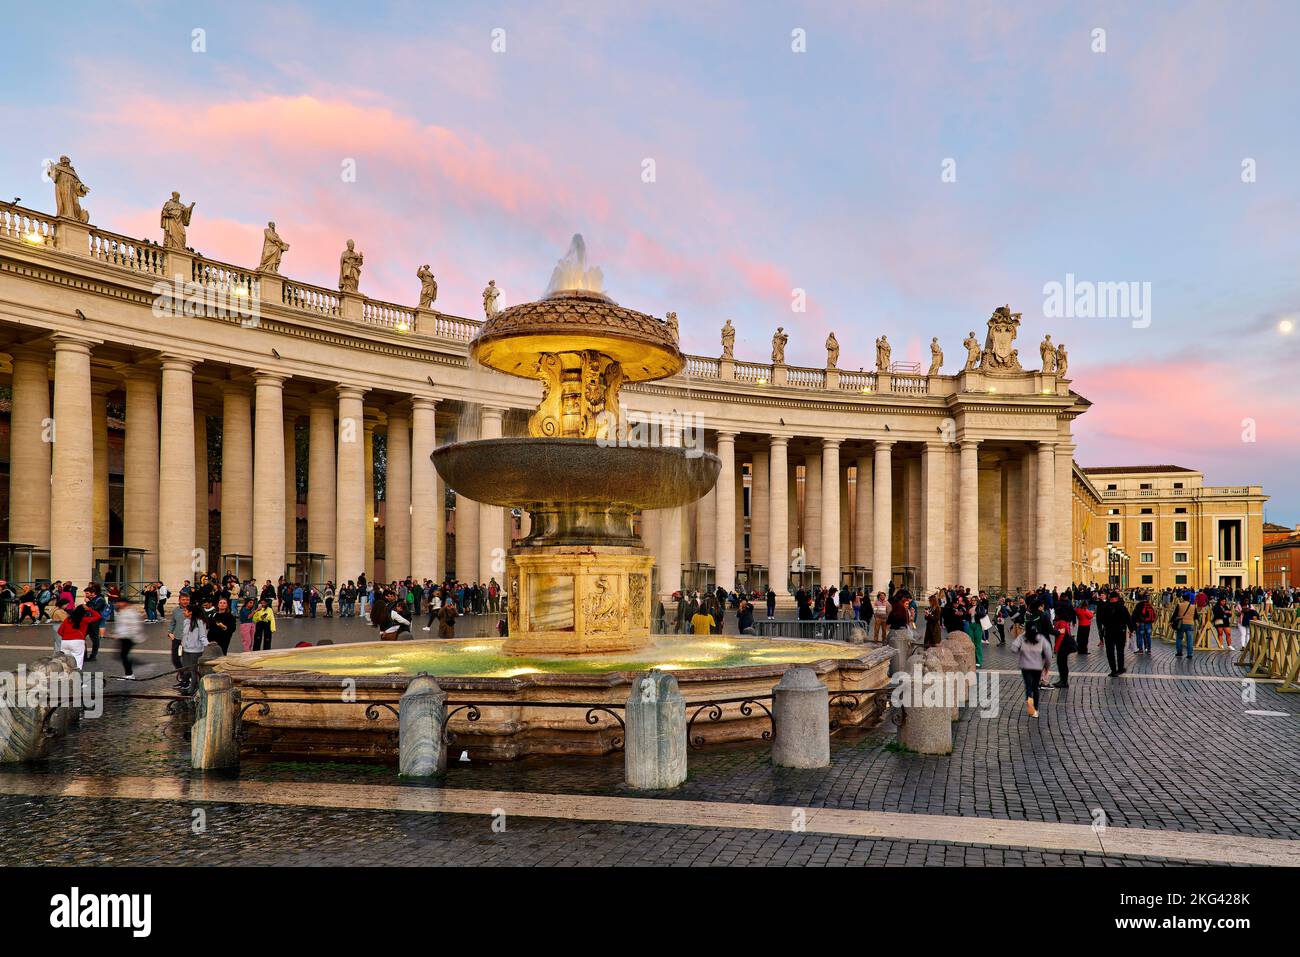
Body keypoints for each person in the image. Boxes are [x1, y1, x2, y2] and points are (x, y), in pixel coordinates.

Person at [1011, 614, 1053, 718]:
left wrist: (1021, 650)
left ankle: (1031, 709)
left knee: (1028, 687)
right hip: (1037, 666)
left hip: (1025, 666)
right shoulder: (1041, 638)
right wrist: (1047, 667)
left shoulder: (1022, 637)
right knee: (1035, 687)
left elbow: (1013, 648)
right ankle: (1036, 709)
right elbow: (1048, 654)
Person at [1095, 590, 1132, 678]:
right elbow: (1128, 619)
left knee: (1110, 651)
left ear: (1110, 598)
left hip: (1108, 632)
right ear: (1117, 598)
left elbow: (1100, 620)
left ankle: (1113, 670)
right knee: (1120, 651)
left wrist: (1101, 630)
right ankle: (1120, 668)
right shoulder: (1122, 607)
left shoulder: (1104, 607)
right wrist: (1131, 630)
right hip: (1120, 632)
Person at [56, 600, 101, 669]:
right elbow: (98, 616)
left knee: (65, 660)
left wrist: (67, 637)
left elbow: (60, 631)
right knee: (78, 659)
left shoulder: (68, 619)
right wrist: (89, 609)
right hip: (78, 641)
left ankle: (65, 675)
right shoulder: (84, 620)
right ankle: (76, 675)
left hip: (65, 641)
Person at [177, 606, 209, 695]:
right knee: (185, 669)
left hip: (195, 650)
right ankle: (187, 684)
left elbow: (203, 636)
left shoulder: (200, 622)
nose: (184, 612)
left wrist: (208, 644)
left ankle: (193, 688)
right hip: (185, 649)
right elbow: (184, 635)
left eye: (186, 611)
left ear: (191, 612)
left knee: (193, 671)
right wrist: (182, 645)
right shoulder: (186, 621)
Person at [112, 596, 144, 679]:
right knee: (121, 655)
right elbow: (121, 625)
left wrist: (122, 634)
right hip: (124, 637)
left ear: (125, 603)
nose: (118, 604)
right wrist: (117, 634)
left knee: (123, 655)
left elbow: (134, 626)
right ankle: (130, 672)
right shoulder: (121, 611)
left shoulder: (131, 613)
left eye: (119, 602)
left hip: (129, 637)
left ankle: (130, 673)